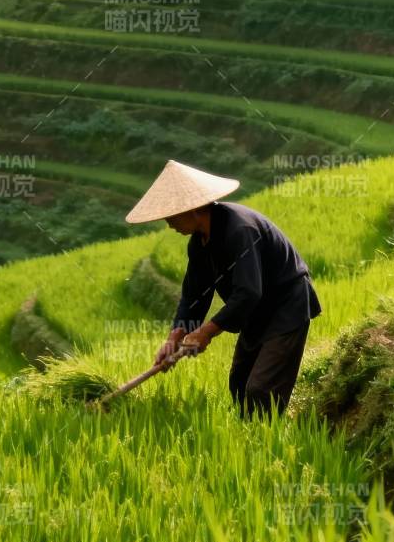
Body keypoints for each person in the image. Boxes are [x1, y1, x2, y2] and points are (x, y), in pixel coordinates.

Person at [125, 159, 321, 417]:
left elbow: (248, 292)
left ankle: (268, 438)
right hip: (256, 313)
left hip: (286, 306)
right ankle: (249, 435)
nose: (169, 224)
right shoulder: (199, 243)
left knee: (261, 391)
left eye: (171, 216)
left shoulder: (240, 230)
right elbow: (194, 295)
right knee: (239, 384)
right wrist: (175, 337)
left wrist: (206, 332)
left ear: (194, 209)